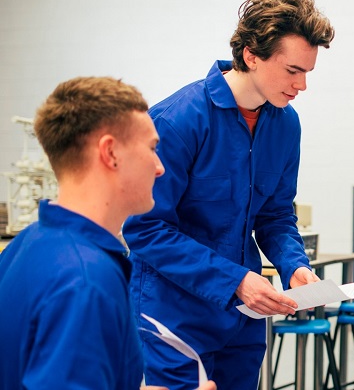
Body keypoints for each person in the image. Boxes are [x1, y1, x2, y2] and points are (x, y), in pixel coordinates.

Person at [122, 0, 334, 389]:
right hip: (172, 319)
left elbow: (275, 215)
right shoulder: (176, 121)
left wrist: (295, 266)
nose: (302, 85)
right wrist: (234, 280)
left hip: (242, 323)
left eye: (307, 72)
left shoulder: (285, 124)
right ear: (252, 55)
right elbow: (143, 229)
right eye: (292, 71)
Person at [0, 77, 215, 390]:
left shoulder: (26, 245)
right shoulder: (86, 281)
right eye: (153, 149)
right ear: (111, 152)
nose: (160, 167)